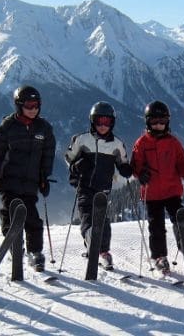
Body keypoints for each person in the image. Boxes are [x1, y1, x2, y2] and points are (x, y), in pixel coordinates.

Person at [0, 85, 56, 272]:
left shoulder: (44, 128)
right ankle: (15, 247)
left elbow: (47, 155)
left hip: (31, 182)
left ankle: (35, 252)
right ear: (19, 105)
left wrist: (44, 178)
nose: (33, 109)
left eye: (36, 105)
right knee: (11, 215)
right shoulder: (7, 127)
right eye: (28, 105)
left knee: (32, 218)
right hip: (8, 180)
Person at [65, 101, 132, 270]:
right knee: (87, 212)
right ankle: (90, 236)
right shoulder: (81, 139)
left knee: (102, 218)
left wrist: (125, 169)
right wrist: (75, 166)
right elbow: (69, 157)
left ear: (112, 123)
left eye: (107, 122)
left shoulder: (117, 144)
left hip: (104, 187)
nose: (102, 126)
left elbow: (122, 161)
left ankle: (103, 252)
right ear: (92, 121)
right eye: (99, 122)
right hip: (85, 184)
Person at [131, 101, 184, 274]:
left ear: (167, 121)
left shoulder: (173, 142)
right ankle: (159, 256)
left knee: (180, 218)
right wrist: (140, 174)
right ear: (148, 122)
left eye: (162, 121)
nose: (158, 125)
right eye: (154, 121)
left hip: (172, 190)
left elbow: (182, 164)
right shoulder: (142, 143)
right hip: (152, 193)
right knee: (156, 227)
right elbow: (135, 165)